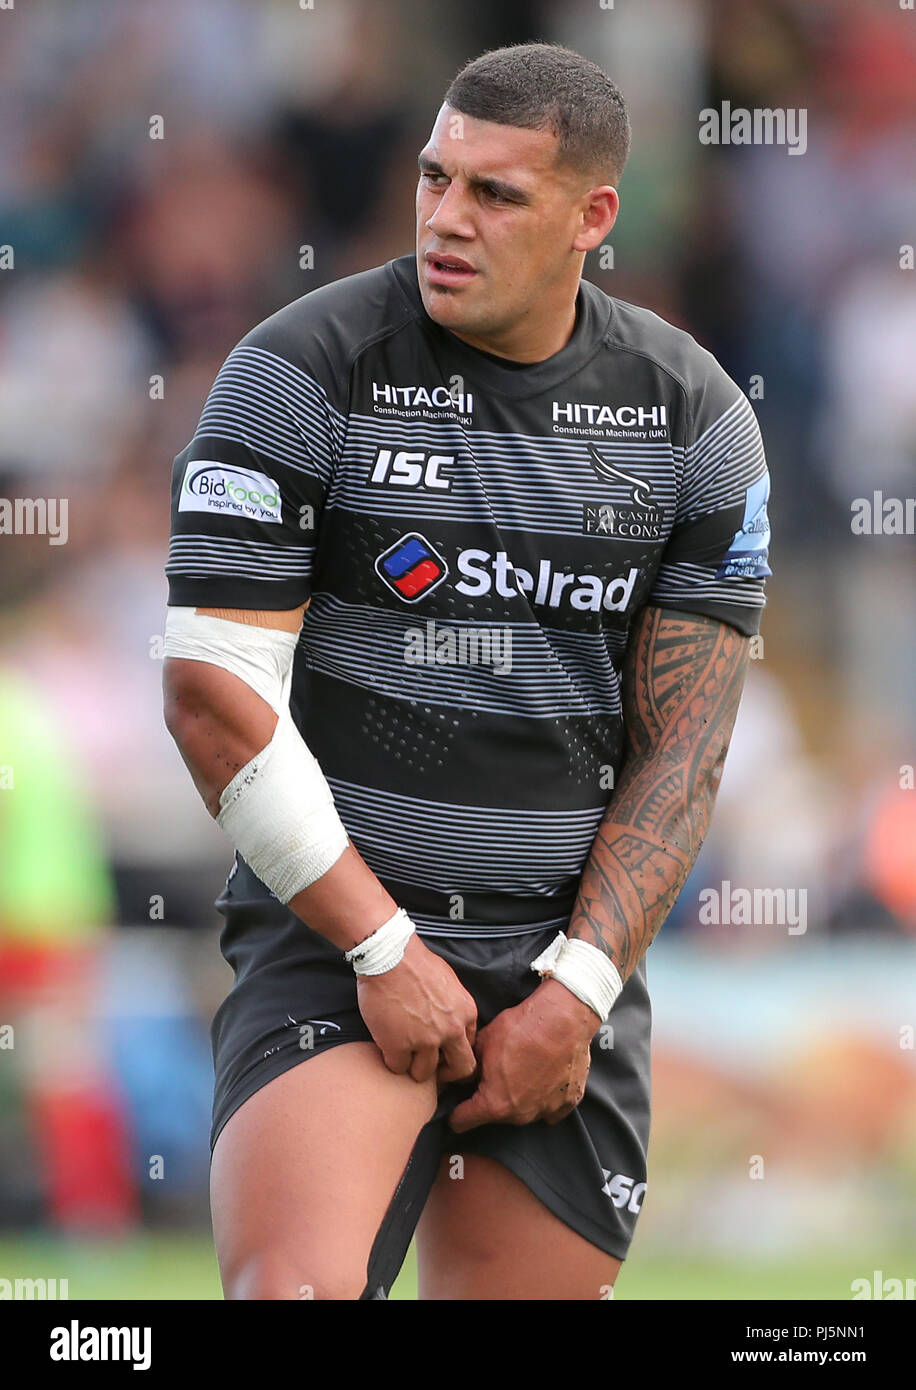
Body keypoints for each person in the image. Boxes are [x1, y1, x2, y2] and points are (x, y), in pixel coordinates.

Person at [162, 41, 771, 1300]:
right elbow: (213, 698)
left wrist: (578, 991)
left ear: (591, 217)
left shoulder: (693, 418)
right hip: (342, 935)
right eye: (435, 179)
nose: (446, 217)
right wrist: (384, 949)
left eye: (495, 194)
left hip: (561, 965)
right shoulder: (299, 370)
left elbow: (685, 750)